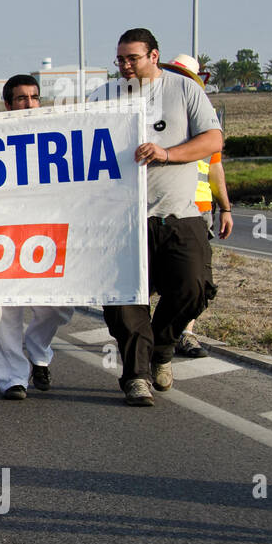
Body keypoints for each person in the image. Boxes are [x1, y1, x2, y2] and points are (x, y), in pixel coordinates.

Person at [89, 29, 222, 406]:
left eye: (133, 58)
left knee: (194, 287)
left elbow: (213, 140)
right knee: (123, 302)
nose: (126, 66)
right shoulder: (103, 97)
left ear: (154, 56)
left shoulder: (184, 90)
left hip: (178, 214)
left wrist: (167, 154)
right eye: (120, 60)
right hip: (121, 221)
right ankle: (136, 377)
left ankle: (161, 347)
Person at [0, 75, 75, 400]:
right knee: (4, 311)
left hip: (45, 236)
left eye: (34, 97)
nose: (28, 103)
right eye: (21, 98)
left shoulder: (54, 136)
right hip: (1, 237)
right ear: (8, 104)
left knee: (57, 307)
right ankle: (12, 378)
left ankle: (38, 350)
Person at [160, 54, 234, 357]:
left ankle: (184, 334)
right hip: (166, 207)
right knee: (168, 276)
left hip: (199, 210)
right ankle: (161, 333)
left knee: (195, 278)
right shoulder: (163, 113)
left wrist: (225, 207)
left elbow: (215, 168)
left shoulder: (206, 120)